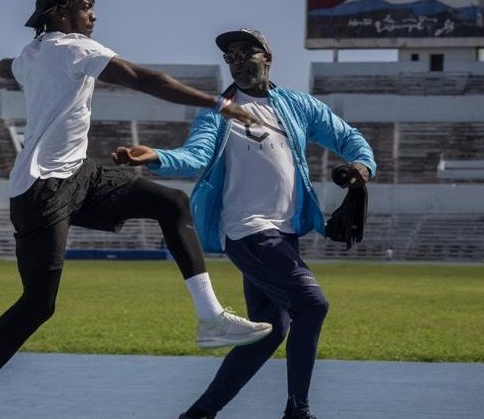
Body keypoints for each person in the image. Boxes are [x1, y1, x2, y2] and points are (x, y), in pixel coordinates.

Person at [0, 0, 272, 419]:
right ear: (60, 12)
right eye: (86, 4)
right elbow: (146, 79)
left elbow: (5, 63)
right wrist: (219, 104)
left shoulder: (32, 55)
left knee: (171, 202)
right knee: (38, 305)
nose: (94, 13)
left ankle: (210, 318)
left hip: (78, 175)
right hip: (41, 190)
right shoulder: (76, 49)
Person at [113, 28, 376, 419]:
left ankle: (200, 413)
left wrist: (361, 168)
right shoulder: (218, 110)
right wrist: (156, 157)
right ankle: (297, 411)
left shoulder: (298, 105)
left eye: (244, 52)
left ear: (266, 57)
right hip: (249, 230)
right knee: (312, 305)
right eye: (230, 56)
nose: (236, 60)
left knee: (269, 330)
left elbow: (350, 138)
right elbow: (196, 155)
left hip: (284, 234)